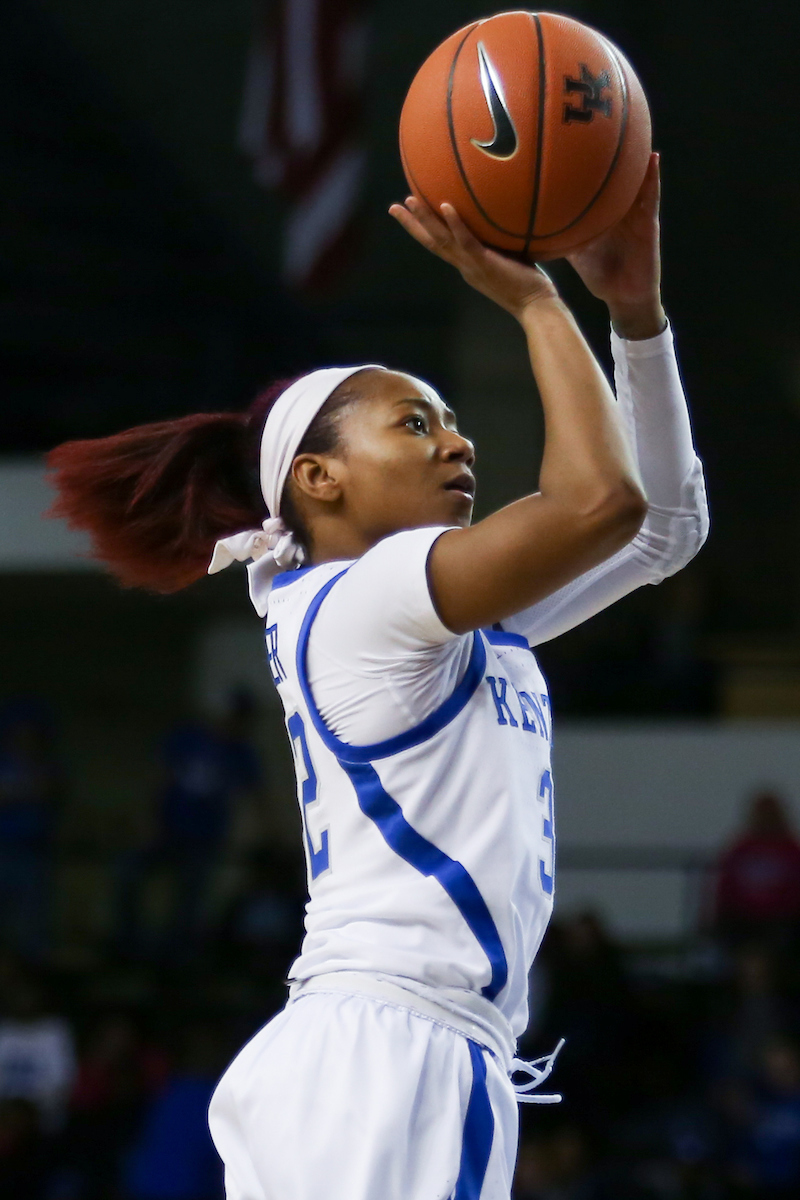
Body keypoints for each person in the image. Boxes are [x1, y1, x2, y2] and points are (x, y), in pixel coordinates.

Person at [45, 153, 708, 1199]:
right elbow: (598, 504)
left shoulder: (415, 611)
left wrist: (637, 318)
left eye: (447, 418)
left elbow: (661, 528)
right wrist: (536, 303)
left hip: (371, 1055)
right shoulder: (369, 599)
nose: (457, 439)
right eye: (415, 423)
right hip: (389, 1055)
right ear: (317, 479)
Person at [714, 791, 800, 947]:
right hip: (743, 920)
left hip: (783, 920)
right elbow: (726, 887)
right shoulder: (742, 849)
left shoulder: (791, 850)